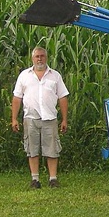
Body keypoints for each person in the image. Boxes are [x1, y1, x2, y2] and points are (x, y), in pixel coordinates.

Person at [11, 46, 69, 188]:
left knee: (52, 150)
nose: (40, 59)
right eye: (37, 56)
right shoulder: (24, 75)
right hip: (30, 118)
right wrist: (14, 118)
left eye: (42, 56)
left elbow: (62, 97)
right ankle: (35, 180)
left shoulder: (55, 76)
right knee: (32, 149)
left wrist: (64, 119)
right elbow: (17, 98)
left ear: (46, 57)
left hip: (50, 118)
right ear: (32, 58)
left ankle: (53, 179)